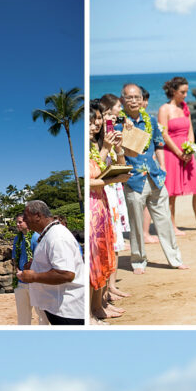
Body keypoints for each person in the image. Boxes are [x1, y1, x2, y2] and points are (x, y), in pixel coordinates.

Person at [118, 83, 187, 274]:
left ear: (142, 100)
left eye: (136, 97)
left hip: (155, 177)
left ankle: (175, 259)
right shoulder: (116, 123)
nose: (133, 101)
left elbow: (158, 144)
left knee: (164, 220)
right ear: (122, 100)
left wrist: (163, 167)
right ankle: (138, 261)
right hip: (133, 180)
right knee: (137, 224)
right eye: (129, 97)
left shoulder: (151, 120)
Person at [18, 200, 86, 325]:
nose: (25, 220)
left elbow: (66, 274)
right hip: (57, 307)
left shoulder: (57, 237)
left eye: (26, 217)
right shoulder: (50, 234)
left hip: (67, 310)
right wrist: (34, 265)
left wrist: (33, 276)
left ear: (38, 216)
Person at [158, 77, 196, 232]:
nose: (186, 95)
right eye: (183, 92)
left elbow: (190, 130)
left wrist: (190, 149)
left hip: (187, 152)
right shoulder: (164, 109)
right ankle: (172, 226)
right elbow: (164, 135)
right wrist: (179, 153)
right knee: (172, 191)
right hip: (172, 152)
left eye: (186, 91)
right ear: (173, 92)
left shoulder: (184, 108)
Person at [88, 101, 125, 322]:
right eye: (92, 122)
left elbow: (118, 163)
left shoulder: (99, 143)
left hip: (103, 203)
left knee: (103, 255)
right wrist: (105, 149)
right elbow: (91, 176)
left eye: (99, 120)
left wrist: (117, 148)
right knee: (95, 258)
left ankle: (100, 304)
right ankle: (94, 309)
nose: (96, 125)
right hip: (94, 205)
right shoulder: (93, 146)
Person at [11, 213, 40, 325]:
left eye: (20, 222)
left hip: (35, 282)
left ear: (27, 222)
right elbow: (14, 258)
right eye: (17, 222)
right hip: (20, 281)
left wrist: (29, 273)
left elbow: (39, 260)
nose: (18, 225)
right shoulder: (17, 239)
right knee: (23, 315)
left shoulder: (36, 237)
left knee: (40, 313)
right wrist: (18, 271)